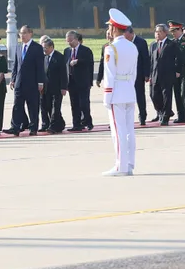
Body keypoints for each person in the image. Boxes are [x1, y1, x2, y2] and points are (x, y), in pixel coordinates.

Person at [101, 9, 139, 176]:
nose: (108, 29)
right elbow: (134, 73)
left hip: (116, 92)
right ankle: (129, 164)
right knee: (129, 130)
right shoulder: (132, 46)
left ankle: (120, 166)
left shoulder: (111, 48)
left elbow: (109, 75)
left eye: (110, 26)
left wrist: (107, 96)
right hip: (129, 91)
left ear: (115, 28)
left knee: (118, 132)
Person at [7, 25, 45, 136]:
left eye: (24, 33)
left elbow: (40, 67)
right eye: (20, 33)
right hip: (19, 82)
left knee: (32, 106)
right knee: (17, 105)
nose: (22, 35)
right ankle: (15, 127)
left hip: (32, 83)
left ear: (30, 34)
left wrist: (40, 82)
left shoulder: (37, 48)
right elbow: (16, 65)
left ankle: (33, 127)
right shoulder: (19, 47)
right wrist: (13, 79)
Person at [148, 23, 180, 125]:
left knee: (166, 96)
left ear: (165, 33)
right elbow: (151, 61)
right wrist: (149, 74)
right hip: (155, 75)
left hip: (167, 75)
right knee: (153, 95)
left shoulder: (171, 44)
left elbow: (178, 58)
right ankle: (163, 111)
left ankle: (165, 117)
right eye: (156, 32)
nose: (157, 34)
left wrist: (177, 71)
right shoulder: (153, 45)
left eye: (159, 32)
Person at [64, 30, 94, 131]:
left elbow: (89, 63)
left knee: (84, 104)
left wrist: (78, 61)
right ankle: (76, 124)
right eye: (67, 41)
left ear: (76, 39)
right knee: (74, 104)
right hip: (71, 82)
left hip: (83, 82)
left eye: (71, 40)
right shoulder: (67, 51)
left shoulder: (85, 50)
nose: (69, 43)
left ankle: (88, 122)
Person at [168, 21, 185, 122]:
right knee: (177, 94)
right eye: (171, 31)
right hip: (175, 72)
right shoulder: (172, 42)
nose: (173, 33)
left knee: (184, 94)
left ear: (180, 29)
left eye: (174, 31)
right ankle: (181, 117)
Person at [40, 38, 68, 134]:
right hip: (45, 87)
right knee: (46, 106)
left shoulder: (59, 57)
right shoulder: (43, 57)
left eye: (46, 48)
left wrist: (64, 87)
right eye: (43, 48)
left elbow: (63, 73)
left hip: (57, 87)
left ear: (51, 47)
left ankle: (53, 126)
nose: (44, 50)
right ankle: (51, 124)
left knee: (55, 107)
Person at [124, 26, 151, 126]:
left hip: (138, 75)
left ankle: (142, 116)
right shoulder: (124, 43)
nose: (126, 38)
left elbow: (146, 59)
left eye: (127, 36)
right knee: (126, 97)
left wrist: (146, 74)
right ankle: (126, 117)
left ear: (132, 33)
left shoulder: (141, 42)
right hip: (126, 75)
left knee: (140, 96)